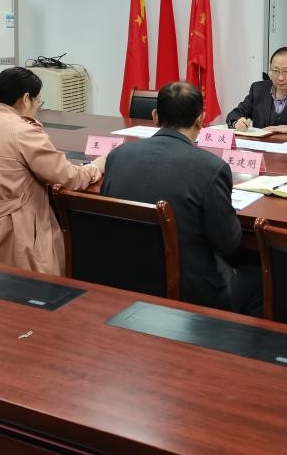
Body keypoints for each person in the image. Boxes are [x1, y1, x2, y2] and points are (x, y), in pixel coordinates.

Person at [102, 81, 262, 314]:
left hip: (124, 277)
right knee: (260, 280)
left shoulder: (117, 156)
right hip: (189, 289)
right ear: (200, 119)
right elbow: (228, 244)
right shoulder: (210, 167)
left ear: (155, 116)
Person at [0, 66, 104, 275]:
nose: (38, 106)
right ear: (26, 99)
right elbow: (69, 178)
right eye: (38, 100)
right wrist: (95, 167)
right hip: (13, 243)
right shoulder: (22, 131)